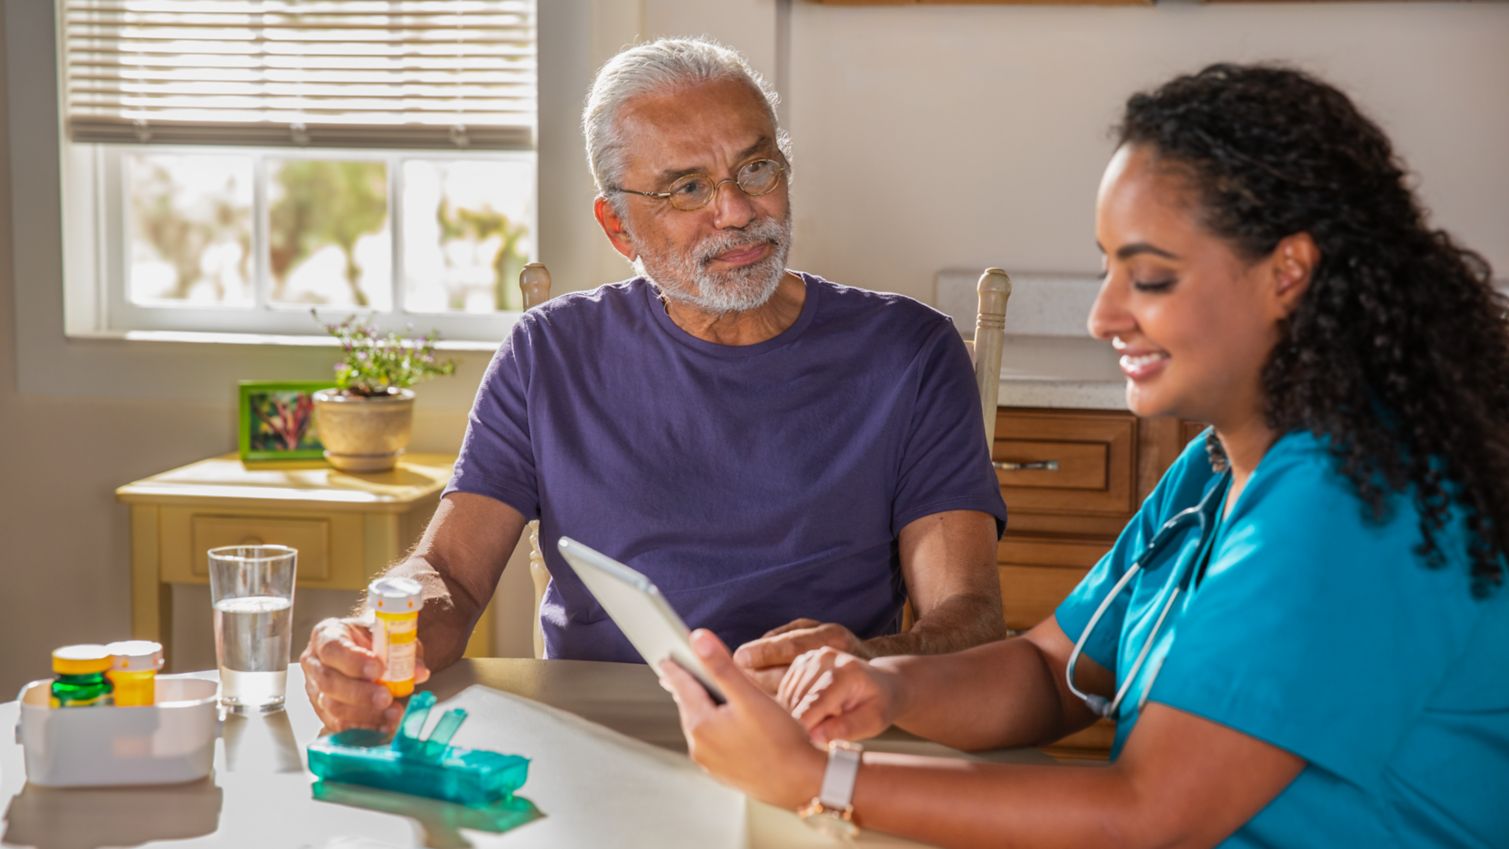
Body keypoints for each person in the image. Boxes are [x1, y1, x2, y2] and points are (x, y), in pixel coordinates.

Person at [657, 63, 1509, 847]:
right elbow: (1052, 670)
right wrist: (885, 688)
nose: (1102, 316)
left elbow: (1148, 811)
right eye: (1106, 270)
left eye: (1147, 277)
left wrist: (821, 779)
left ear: (1285, 272)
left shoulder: (1355, 500)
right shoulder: (1213, 471)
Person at [299, 37, 1008, 732]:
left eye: (756, 168)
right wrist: (376, 638)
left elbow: (968, 618)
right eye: (688, 187)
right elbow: (449, 574)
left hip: (818, 733)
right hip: (597, 737)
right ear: (617, 225)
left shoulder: (908, 351)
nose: (736, 211)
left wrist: (871, 663)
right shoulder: (548, 351)